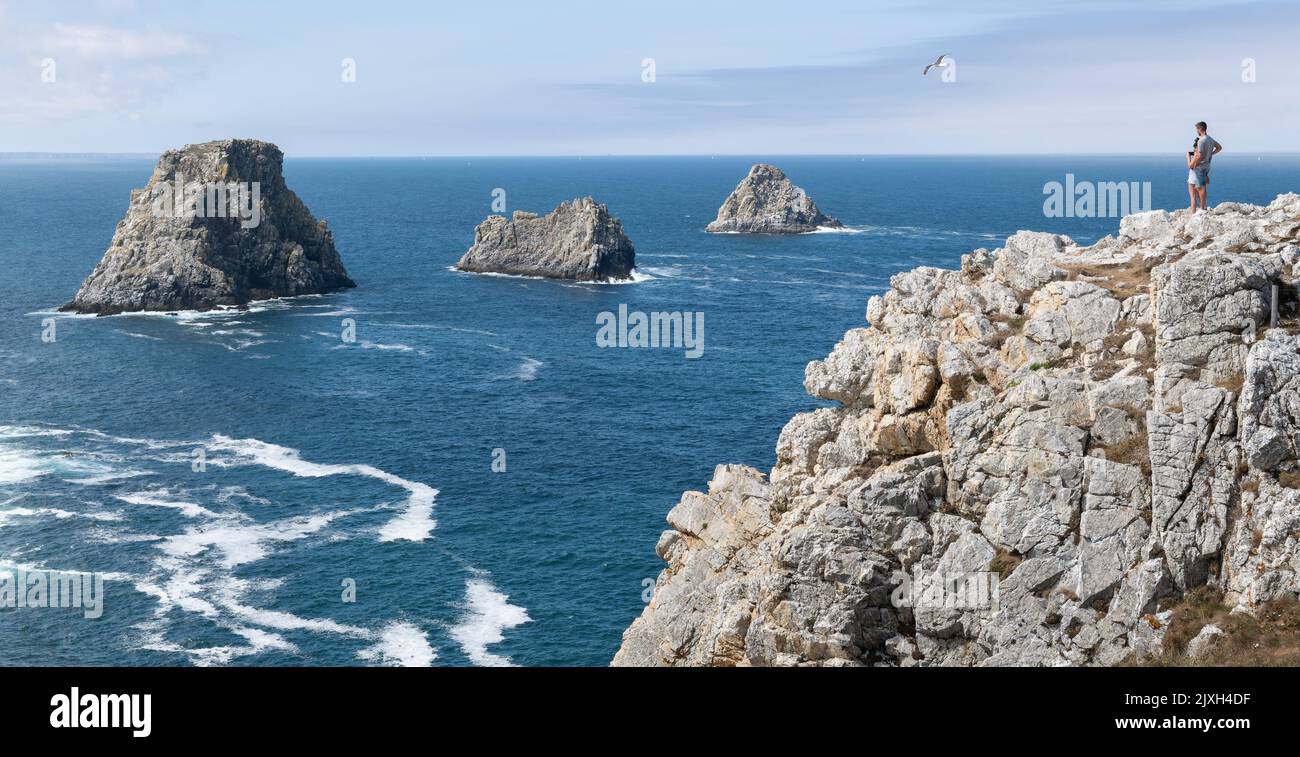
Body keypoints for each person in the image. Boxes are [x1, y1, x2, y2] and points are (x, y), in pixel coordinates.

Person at [1187, 121, 1222, 213]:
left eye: (1196, 129)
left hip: (1199, 167)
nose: (1196, 131)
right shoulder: (1210, 139)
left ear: (1199, 129)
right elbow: (1219, 147)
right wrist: (1211, 154)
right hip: (1206, 166)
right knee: (1201, 187)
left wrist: (1191, 163)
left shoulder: (1201, 140)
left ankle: (1199, 211)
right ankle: (1202, 208)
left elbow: (1199, 156)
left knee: (1196, 191)